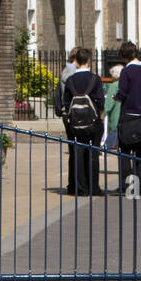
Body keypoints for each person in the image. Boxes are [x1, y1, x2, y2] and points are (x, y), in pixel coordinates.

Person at [55, 47, 104, 196]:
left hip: (74, 123)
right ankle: (93, 187)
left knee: (77, 154)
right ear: (89, 61)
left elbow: (66, 102)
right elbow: (101, 102)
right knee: (93, 154)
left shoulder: (70, 80)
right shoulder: (95, 79)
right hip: (93, 122)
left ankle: (80, 188)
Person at [114, 41, 141, 196]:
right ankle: (139, 186)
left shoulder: (126, 72)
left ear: (124, 56)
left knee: (124, 151)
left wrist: (116, 97)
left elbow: (122, 93)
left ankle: (127, 186)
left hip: (128, 115)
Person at [102, 64, 123, 150]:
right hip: (124, 116)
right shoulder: (125, 84)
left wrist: (104, 112)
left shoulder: (114, 85)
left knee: (109, 143)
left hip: (115, 116)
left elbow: (109, 102)